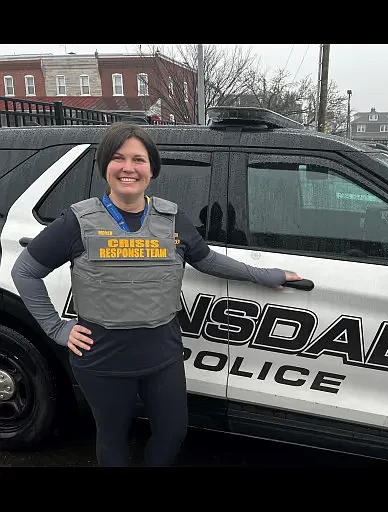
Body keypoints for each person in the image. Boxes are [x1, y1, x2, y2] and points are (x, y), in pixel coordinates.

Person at [11, 122, 302, 467]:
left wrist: (266, 275)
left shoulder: (172, 218)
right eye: (118, 158)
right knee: (112, 436)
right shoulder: (77, 221)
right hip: (102, 358)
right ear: (105, 166)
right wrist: (56, 328)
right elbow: (25, 271)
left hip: (161, 355)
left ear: (152, 169)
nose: (129, 168)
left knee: (173, 432)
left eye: (139, 159)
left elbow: (206, 259)